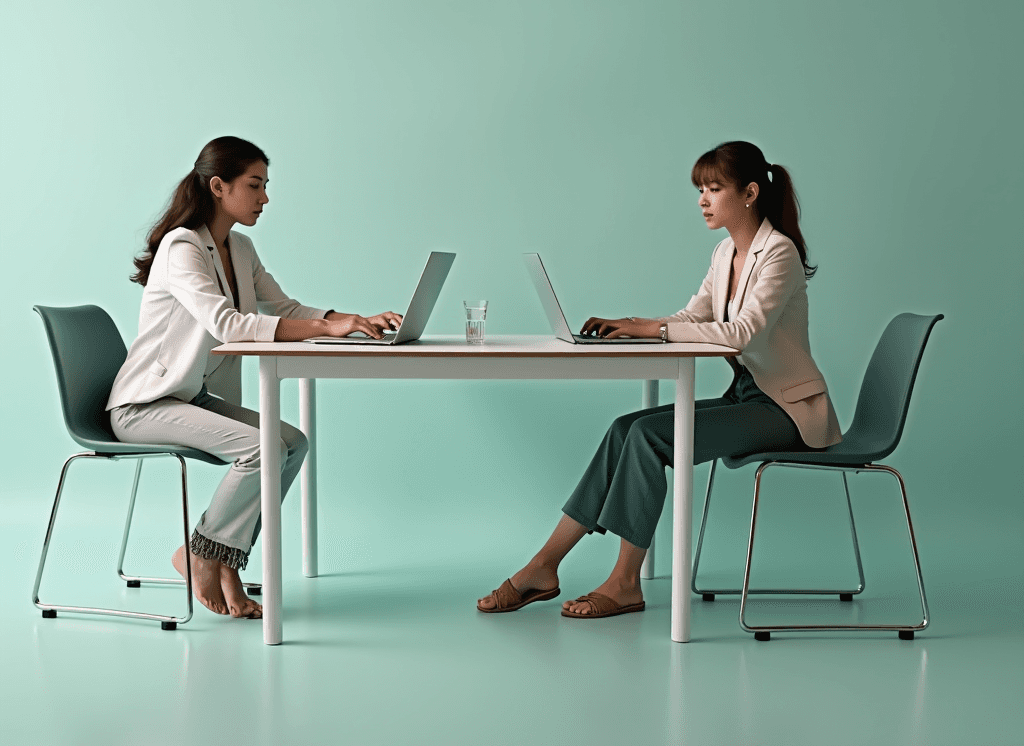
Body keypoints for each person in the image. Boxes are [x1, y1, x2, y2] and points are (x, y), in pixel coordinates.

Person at [478, 140, 841, 619]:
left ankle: (625, 582)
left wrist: (653, 329)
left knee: (650, 437)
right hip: (748, 396)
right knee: (625, 428)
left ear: (750, 192)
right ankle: (544, 565)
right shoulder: (724, 254)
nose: (702, 200)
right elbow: (692, 316)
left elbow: (741, 334)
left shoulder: (779, 254)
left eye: (714, 189)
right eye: (700, 190)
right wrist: (632, 326)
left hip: (787, 411)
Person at [107, 136, 402, 619]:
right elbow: (228, 325)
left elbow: (284, 309)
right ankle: (201, 553)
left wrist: (353, 319)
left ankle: (223, 560)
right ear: (219, 186)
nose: (265, 198)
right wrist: (328, 328)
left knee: (292, 441)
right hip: (144, 406)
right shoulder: (183, 247)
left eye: (266, 185)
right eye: (255, 184)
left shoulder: (239, 247)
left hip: (188, 399)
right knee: (262, 447)